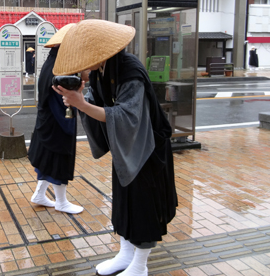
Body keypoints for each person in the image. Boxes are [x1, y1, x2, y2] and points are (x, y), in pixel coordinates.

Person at [53, 19, 177, 276]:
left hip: (147, 148)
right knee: (123, 201)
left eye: (84, 59)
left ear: (99, 54)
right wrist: (83, 97)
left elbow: (127, 117)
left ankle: (139, 266)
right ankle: (125, 254)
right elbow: (103, 109)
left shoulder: (130, 71)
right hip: (125, 147)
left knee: (143, 205)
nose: (83, 67)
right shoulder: (102, 71)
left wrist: (82, 105)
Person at [28, 23, 83, 214]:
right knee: (58, 161)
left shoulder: (51, 63)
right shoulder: (61, 69)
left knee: (47, 161)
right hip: (58, 124)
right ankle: (61, 201)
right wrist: (71, 122)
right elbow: (63, 101)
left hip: (47, 123)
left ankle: (39, 195)